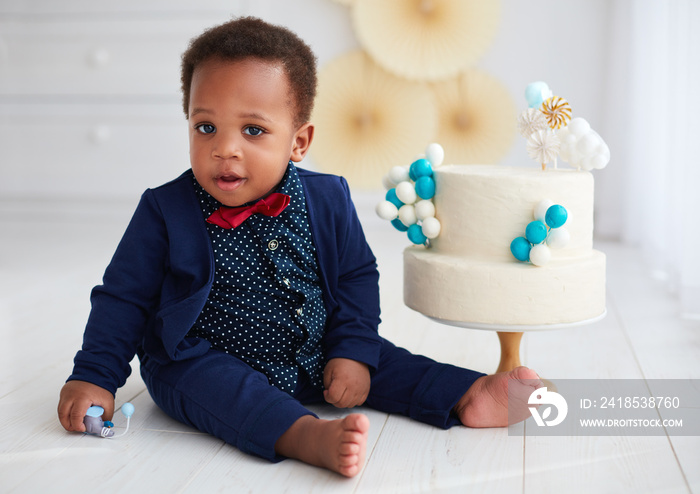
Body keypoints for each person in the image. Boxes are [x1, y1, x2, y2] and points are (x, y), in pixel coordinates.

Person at [57, 17, 542, 478]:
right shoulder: (164, 210)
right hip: (201, 358)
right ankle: (304, 436)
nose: (225, 148)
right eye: (206, 127)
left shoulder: (328, 198)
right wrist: (95, 375)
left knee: (383, 359)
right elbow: (124, 298)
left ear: (299, 141)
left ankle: (469, 394)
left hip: (317, 353)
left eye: (253, 130)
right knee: (219, 388)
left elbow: (356, 276)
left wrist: (350, 350)